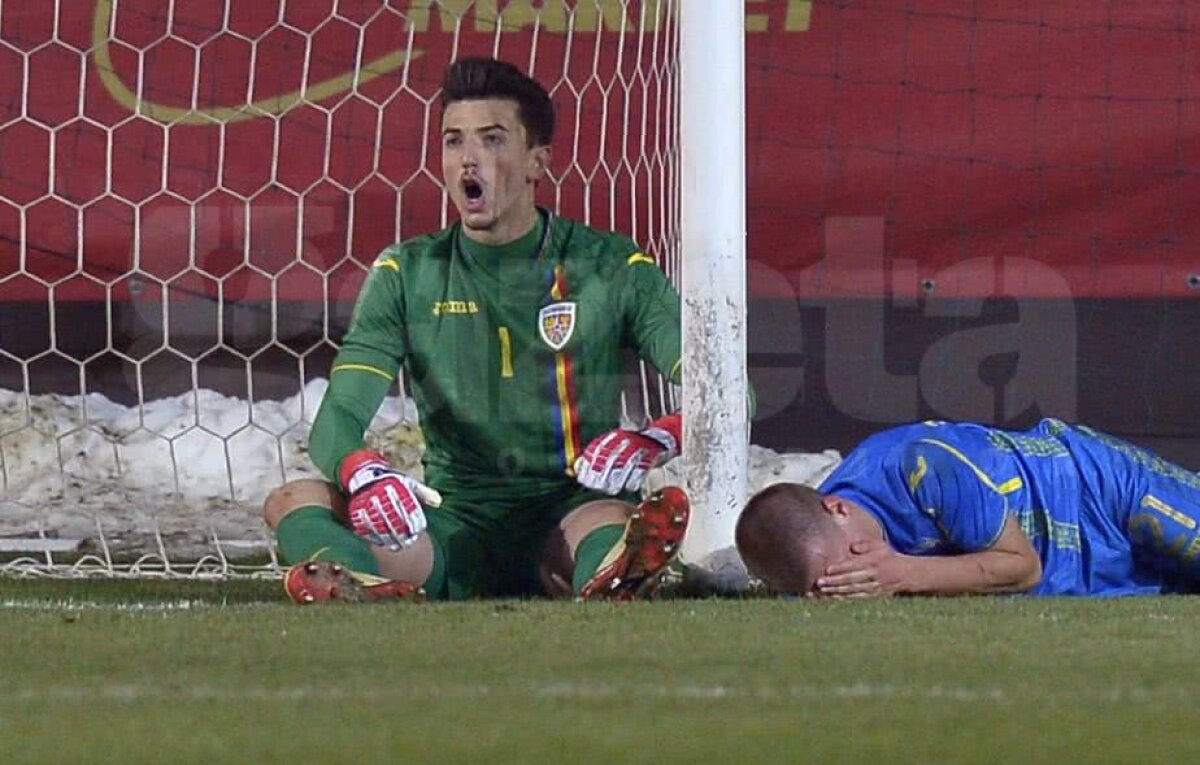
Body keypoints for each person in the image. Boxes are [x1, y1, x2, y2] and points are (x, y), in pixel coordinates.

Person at [263, 57, 689, 603]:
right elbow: (339, 414)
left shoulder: (610, 265)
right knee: (293, 498)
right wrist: (363, 471)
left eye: (491, 139)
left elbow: (728, 392)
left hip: (570, 511)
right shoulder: (408, 272)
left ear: (537, 161)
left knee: (612, 521)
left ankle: (611, 571)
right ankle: (354, 583)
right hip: (451, 525)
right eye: (453, 141)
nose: (468, 158)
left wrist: (660, 435)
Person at [735, 418, 1200, 597]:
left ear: (838, 508)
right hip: (1081, 571)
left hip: (1098, 490)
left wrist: (902, 573)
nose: (857, 576)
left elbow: (1023, 567)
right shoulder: (811, 565)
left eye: (853, 560)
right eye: (831, 585)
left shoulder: (920, 466)